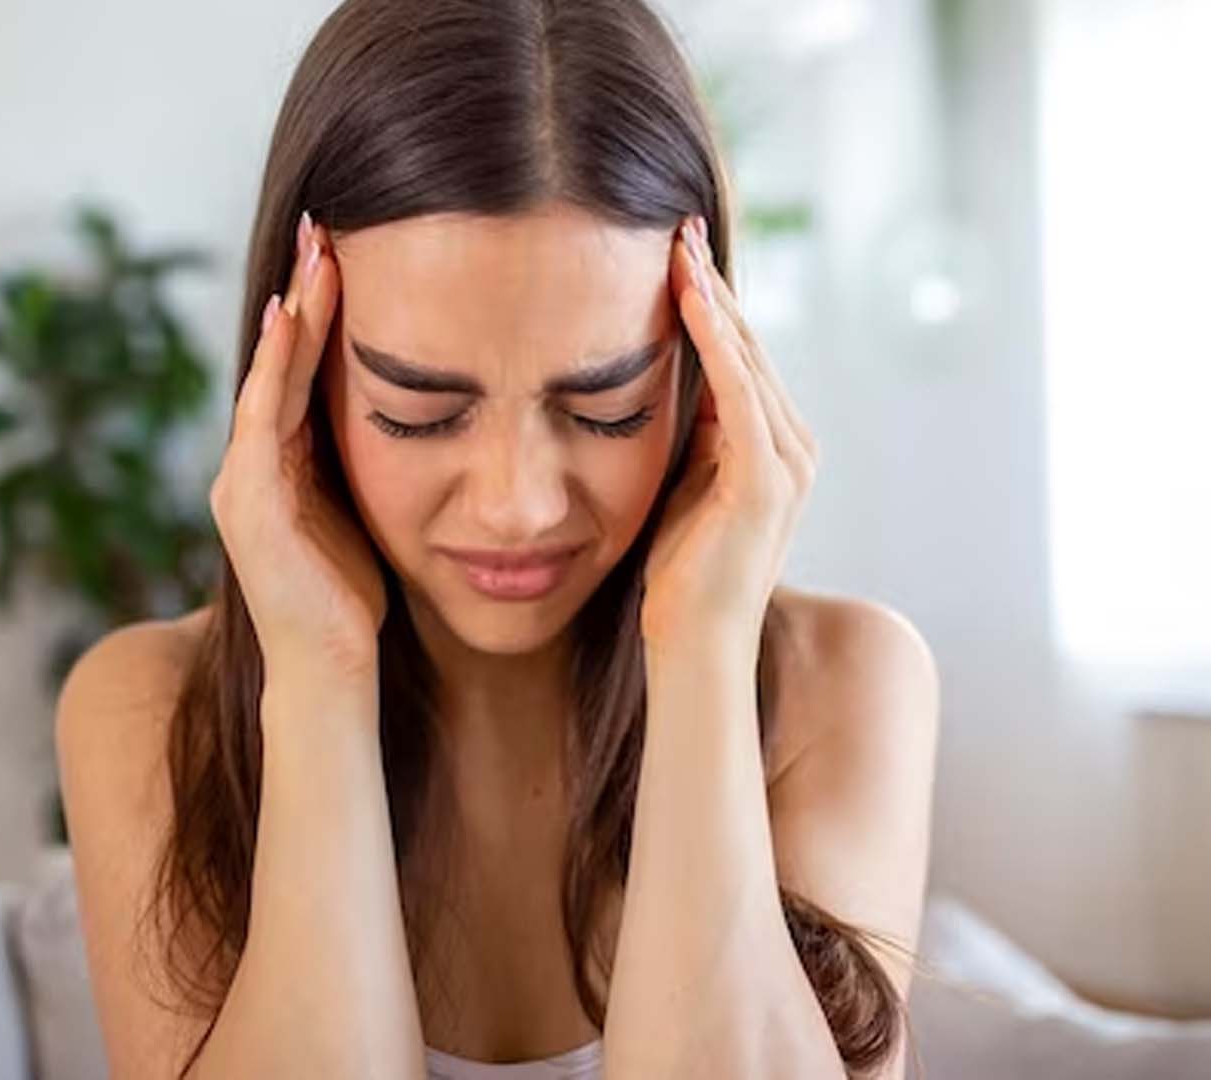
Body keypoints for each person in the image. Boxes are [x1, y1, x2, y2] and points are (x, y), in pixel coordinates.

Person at [54, 1, 940, 1077]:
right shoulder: (148, 714)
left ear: (707, 376)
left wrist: (702, 655)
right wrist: (320, 674)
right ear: (299, 376)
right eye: (419, 413)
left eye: (607, 408)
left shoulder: (841, 684)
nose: (520, 504)